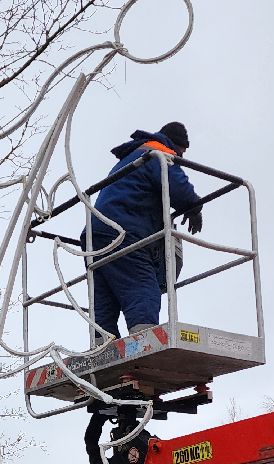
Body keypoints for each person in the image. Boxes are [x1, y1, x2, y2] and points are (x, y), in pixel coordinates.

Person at [85, 121, 204, 338]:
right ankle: (144, 343)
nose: (181, 158)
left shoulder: (132, 157)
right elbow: (180, 190)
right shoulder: (157, 153)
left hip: (95, 233)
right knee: (142, 287)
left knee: (104, 297)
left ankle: (100, 347)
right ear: (175, 145)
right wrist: (195, 207)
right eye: (182, 152)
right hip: (122, 231)